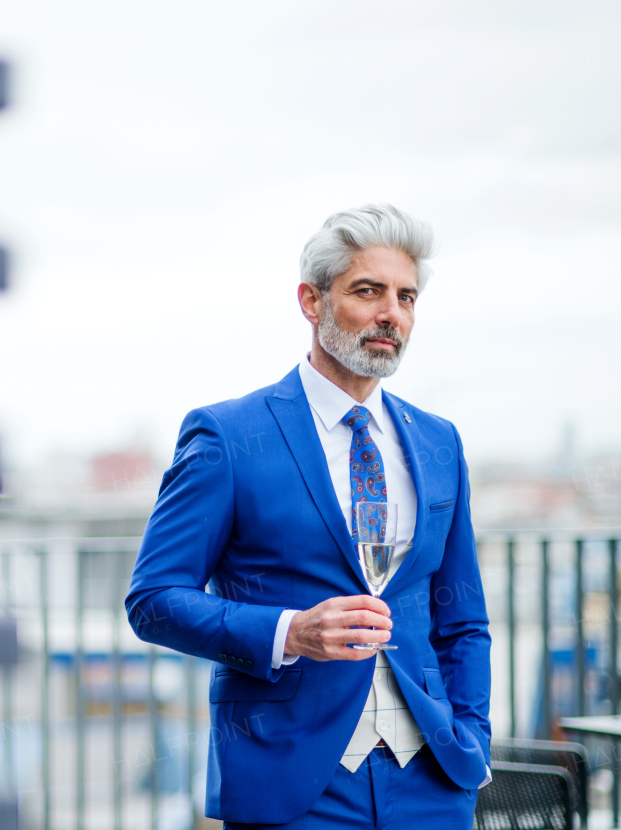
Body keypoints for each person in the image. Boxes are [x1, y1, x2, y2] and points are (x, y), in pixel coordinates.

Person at [125, 204, 491, 829]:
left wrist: (470, 737)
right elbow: (154, 599)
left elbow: (463, 620)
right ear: (312, 301)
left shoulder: (438, 441)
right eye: (367, 291)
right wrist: (289, 632)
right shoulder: (227, 437)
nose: (391, 314)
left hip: (431, 779)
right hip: (291, 783)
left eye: (406, 297)